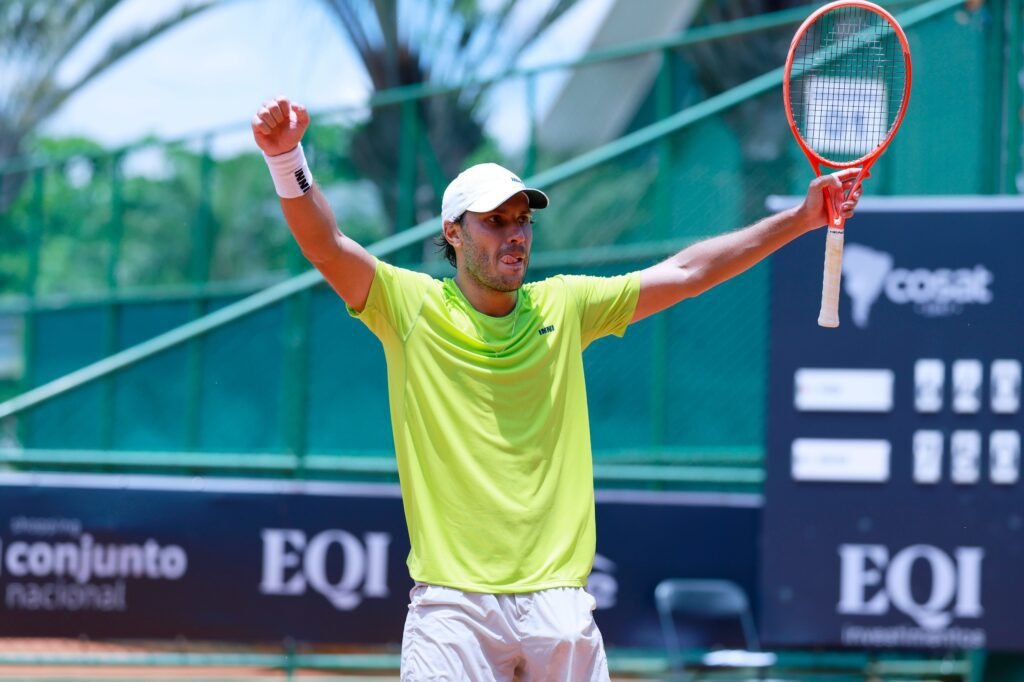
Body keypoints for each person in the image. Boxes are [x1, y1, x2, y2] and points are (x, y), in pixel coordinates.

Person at [252, 96, 861, 681]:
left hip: (558, 606)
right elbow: (325, 245)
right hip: (453, 607)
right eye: (495, 221)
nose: (515, 234)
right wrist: (287, 159)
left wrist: (802, 219)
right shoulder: (407, 307)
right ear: (453, 233)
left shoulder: (564, 304)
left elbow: (689, 272)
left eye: (522, 221)